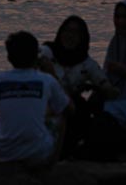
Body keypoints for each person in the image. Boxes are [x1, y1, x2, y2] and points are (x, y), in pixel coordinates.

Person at [0, 30, 72, 168]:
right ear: (36, 56)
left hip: (3, 152)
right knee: (60, 116)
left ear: (9, 57)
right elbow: (69, 108)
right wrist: (52, 73)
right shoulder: (47, 80)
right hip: (37, 153)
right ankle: (52, 165)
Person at [38, 16, 118, 157]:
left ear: (83, 38)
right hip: (43, 105)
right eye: (67, 31)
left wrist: (100, 91)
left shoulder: (87, 64)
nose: (70, 36)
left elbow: (107, 87)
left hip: (69, 110)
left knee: (81, 106)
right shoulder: (47, 52)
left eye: (76, 33)